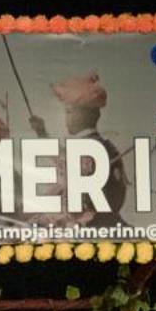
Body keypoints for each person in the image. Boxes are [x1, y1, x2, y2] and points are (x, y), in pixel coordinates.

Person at [28, 73, 128, 230]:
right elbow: (63, 159)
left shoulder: (85, 149)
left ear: (80, 114)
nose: (66, 118)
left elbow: (66, 175)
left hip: (88, 225)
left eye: (68, 112)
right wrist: (42, 133)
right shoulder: (105, 146)